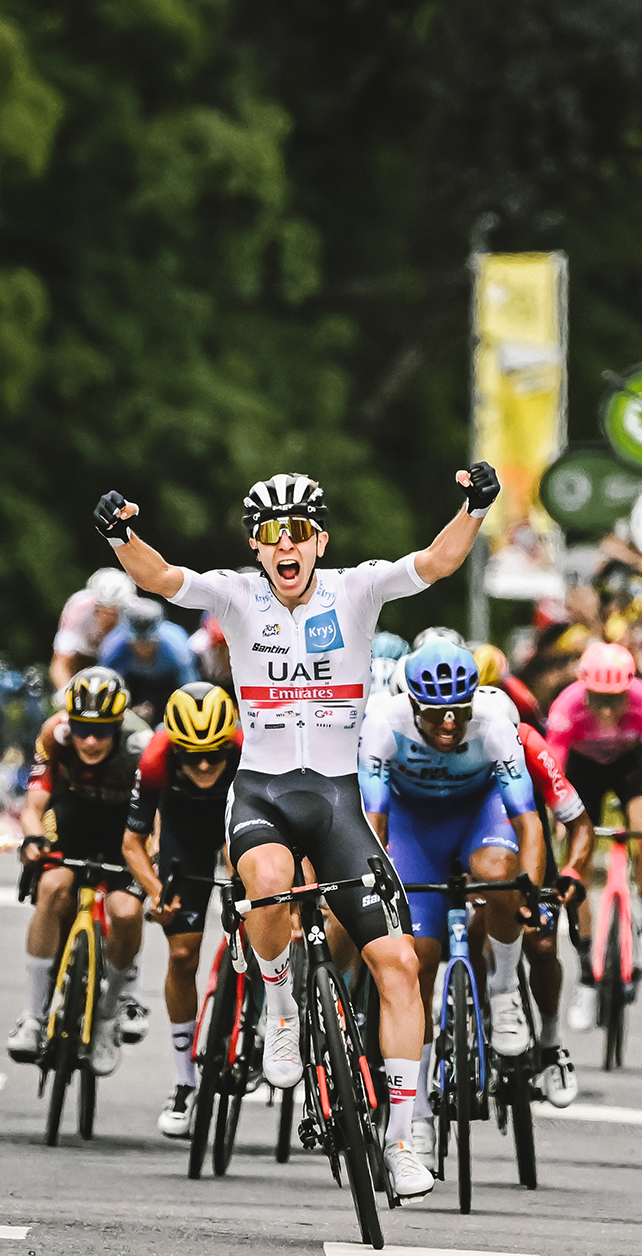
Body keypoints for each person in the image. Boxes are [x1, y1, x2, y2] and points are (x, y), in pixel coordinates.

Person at [91, 463, 500, 1201]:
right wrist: (121, 534)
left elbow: (436, 563)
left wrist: (473, 506)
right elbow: (158, 577)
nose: (287, 546)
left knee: (399, 966)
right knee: (271, 888)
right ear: (256, 545)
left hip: (338, 802)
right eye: (273, 534)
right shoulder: (237, 594)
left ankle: (405, 1144)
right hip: (264, 794)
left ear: (320, 540)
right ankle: (279, 1009)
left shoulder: (358, 588)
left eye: (300, 533)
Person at [358, 639, 544, 1160]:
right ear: (413, 705)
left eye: (458, 713)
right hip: (414, 829)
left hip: (477, 817)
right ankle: (413, 1115)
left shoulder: (492, 722)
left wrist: (525, 890)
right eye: (435, 715)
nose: (448, 726)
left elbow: (527, 819)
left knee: (499, 873)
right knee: (417, 959)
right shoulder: (383, 722)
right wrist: (373, 883)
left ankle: (505, 991)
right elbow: (374, 821)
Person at [7, 667, 153, 1075]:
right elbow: (35, 806)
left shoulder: (143, 745)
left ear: (119, 724)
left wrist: (150, 864)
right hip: (74, 815)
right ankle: (33, 1017)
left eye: (103, 731)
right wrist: (34, 840)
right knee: (54, 886)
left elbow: (159, 820)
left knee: (125, 911)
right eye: (82, 729)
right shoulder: (54, 734)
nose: (90, 740)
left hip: (127, 824)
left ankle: (109, 1013)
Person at [122, 682, 242, 1138]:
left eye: (215, 753)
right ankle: (183, 1080)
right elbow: (132, 842)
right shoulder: (155, 757)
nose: (207, 765)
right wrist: (154, 890)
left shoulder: (246, 746)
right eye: (193, 756)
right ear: (176, 747)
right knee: (181, 955)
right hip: (183, 837)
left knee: (260, 905)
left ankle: (270, 1021)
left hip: (237, 827)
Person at [475, 682, 592, 1105]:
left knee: (542, 947)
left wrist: (575, 870)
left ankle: (550, 1042)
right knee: (466, 932)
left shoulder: (529, 742)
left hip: (528, 853)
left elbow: (578, 822)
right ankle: (468, 1023)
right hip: (476, 848)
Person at [545, 642, 642, 979]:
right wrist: (557, 819)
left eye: (615, 699)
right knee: (577, 862)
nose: (606, 711)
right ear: (584, 689)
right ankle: (586, 968)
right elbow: (552, 774)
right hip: (581, 770)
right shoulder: (566, 707)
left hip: (627, 767)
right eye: (599, 700)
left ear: (629, 689)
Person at [99, 599, 201, 722]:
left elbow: (190, 687)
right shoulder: (111, 648)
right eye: (136, 642)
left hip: (168, 685)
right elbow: (104, 687)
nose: (143, 649)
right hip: (133, 685)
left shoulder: (177, 650)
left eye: (149, 642)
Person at [51, 568, 137, 689]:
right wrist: (64, 691)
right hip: (84, 658)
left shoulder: (135, 612)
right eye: (103, 610)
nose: (108, 618)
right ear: (95, 605)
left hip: (120, 660)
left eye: (115, 613)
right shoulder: (78, 609)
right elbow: (60, 662)